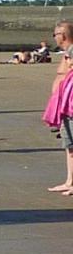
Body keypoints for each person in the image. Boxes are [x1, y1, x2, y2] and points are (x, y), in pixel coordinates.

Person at [44, 21, 73, 195]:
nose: (54, 38)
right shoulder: (67, 53)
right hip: (64, 104)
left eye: (55, 34)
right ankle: (70, 181)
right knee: (69, 145)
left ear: (63, 35)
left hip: (70, 104)